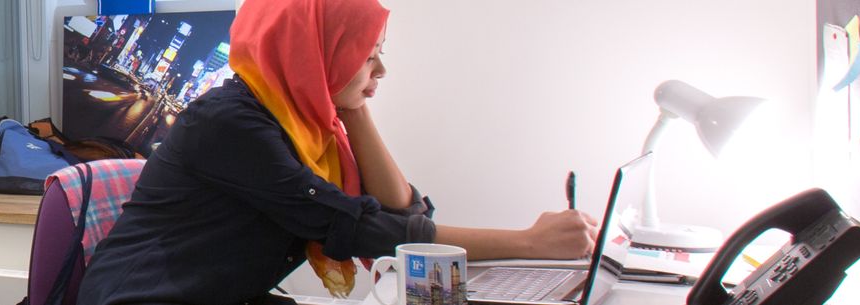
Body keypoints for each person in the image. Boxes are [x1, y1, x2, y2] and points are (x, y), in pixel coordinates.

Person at [76, 0, 598, 304]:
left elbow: (401, 210)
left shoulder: (303, 122)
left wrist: (350, 108)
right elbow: (350, 225)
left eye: (378, 56)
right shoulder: (230, 122)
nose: (382, 71)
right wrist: (530, 242)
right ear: (311, 55)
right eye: (365, 57)